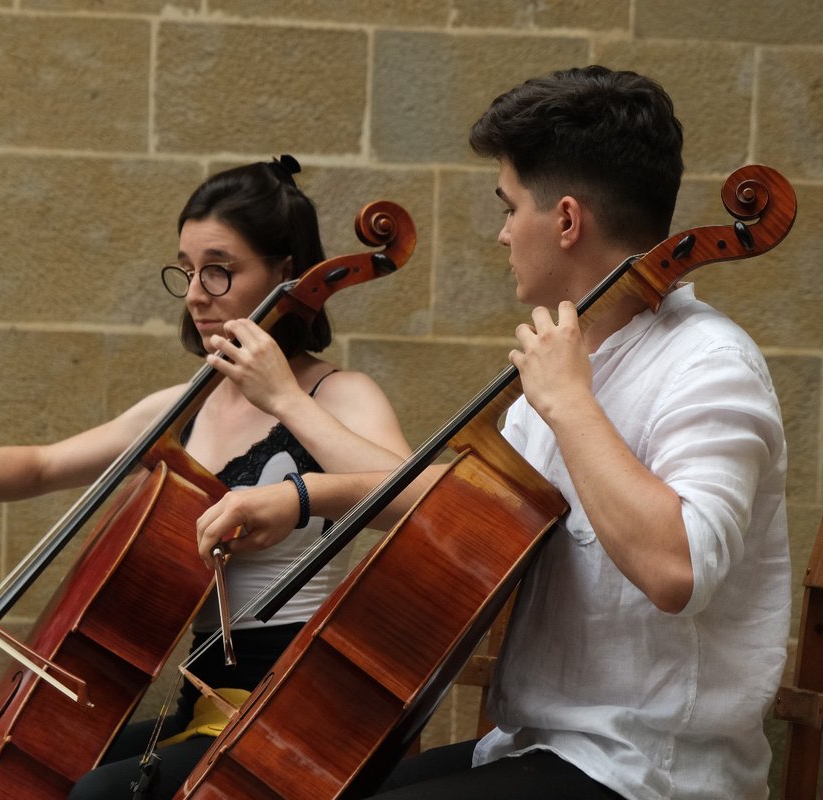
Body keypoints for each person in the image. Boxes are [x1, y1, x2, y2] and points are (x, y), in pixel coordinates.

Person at [196, 67, 791, 800]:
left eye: (510, 207)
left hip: (650, 769)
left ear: (567, 220)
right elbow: (452, 511)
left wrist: (571, 406)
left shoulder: (709, 363)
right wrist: (304, 489)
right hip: (541, 744)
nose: (504, 232)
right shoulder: (570, 358)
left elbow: (680, 571)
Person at [0, 156, 412, 799]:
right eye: (186, 270)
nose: (195, 293)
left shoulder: (337, 393)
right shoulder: (185, 406)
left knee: (99, 796)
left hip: (297, 703)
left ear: (287, 274)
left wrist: (285, 402)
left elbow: (416, 499)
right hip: (206, 696)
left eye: (220, 269)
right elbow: (42, 464)